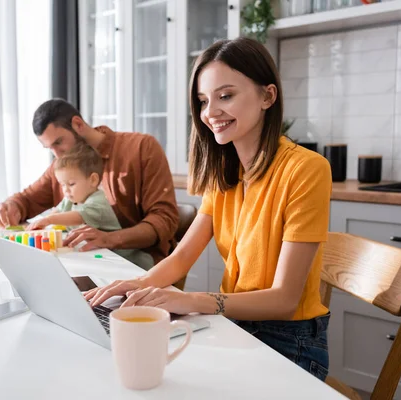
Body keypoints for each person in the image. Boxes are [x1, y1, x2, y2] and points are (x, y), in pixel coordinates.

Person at [85, 37, 333, 382]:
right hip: (233, 326)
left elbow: (285, 300)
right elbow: (181, 258)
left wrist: (194, 301)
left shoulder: (306, 170)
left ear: (267, 96)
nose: (210, 112)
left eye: (226, 96)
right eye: (203, 101)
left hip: (289, 342)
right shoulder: (225, 173)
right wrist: (131, 285)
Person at [0, 99, 179, 269]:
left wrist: (108, 239)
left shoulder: (140, 148)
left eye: (59, 142)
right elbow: (28, 199)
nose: (57, 155)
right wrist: (11, 206)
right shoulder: (64, 162)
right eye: (50, 148)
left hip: (139, 267)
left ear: (78, 124)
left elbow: (164, 219)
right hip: (85, 262)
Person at [26, 142, 152, 268]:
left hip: (125, 259)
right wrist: (41, 226)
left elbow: (77, 216)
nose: (66, 190)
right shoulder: (70, 198)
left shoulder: (99, 202)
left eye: (71, 184)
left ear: (93, 180)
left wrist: (48, 220)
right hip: (99, 255)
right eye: (62, 184)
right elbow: (58, 212)